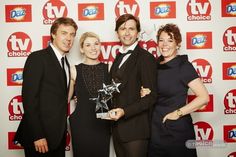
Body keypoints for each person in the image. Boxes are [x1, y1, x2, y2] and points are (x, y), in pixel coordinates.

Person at [13, 17, 78, 157]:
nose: (69, 39)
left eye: (72, 35)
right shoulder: (38, 58)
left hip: (58, 136)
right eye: (64, 33)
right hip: (40, 138)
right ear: (53, 34)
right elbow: (29, 100)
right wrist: (38, 135)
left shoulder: (66, 63)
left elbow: (60, 95)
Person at [147, 23, 209, 157]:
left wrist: (178, 113)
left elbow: (204, 97)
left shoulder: (183, 66)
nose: (165, 44)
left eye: (170, 40)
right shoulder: (155, 65)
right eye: (161, 40)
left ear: (178, 44)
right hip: (156, 131)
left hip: (177, 132)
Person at [108, 14, 157, 157]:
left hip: (136, 130)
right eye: (123, 29)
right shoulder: (118, 57)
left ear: (137, 32)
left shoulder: (145, 58)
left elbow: (151, 97)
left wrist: (124, 111)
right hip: (118, 129)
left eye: (131, 29)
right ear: (117, 32)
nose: (127, 33)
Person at [68, 32, 111, 157]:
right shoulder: (74, 70)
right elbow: (66, 98)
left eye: (96, 44)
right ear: (81, 49)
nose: (93, 48)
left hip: (103, 124)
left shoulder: (109, 68)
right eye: (88, 45)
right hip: (81, 124)